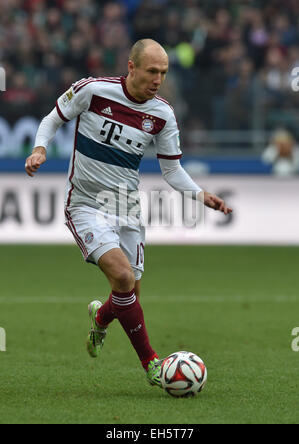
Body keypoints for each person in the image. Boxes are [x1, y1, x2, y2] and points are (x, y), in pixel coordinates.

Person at [25, 39, 232, 388]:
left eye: (163, 73)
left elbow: (171, 170)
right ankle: (152, 363)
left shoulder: (162, 114)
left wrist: (200, 194)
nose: (158, 79)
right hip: (86, 204)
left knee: (129, 291)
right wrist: (40, 149)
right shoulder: (93, 91)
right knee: (122, 279)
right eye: (152, 71)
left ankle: (101, 317)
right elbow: (51, 120)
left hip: (126, 207)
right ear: (132, 66)